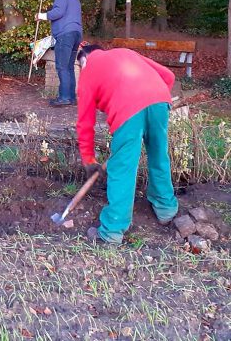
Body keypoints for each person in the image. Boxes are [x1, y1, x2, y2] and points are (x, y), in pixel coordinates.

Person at [75, 43, 179, 244]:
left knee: (122, 167)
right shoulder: (125, 52)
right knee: (159, 156)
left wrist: (88, 159)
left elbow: (85, 123)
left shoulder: (88, 72)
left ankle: (113, 230)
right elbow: (168, 76)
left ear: (83, 60)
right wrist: (152, 100)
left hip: (128, 111)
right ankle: (166, 209)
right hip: (159, 100)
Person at [36, 0, 82, 107]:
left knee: (62, 66)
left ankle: (64, 98)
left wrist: (41, 16)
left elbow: (58, 12)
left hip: (65, 34)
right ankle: (71, 97)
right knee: (69, 66)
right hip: (76, 34)